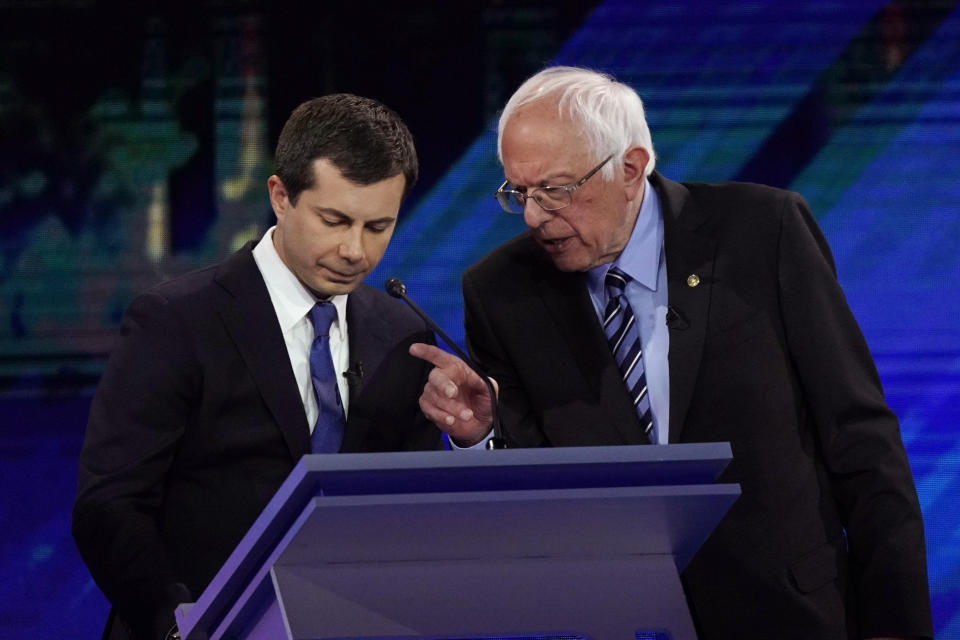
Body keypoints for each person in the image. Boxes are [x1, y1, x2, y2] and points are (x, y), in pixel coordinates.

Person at [412, 66, 932, 639]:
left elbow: (861, 439)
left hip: (793, 614)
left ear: (630, 169)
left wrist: (896, 623)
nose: (535, 215)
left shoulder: (762, 233)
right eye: (519, 192)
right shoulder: (500, 293)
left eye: (555, 190)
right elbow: (536, 498)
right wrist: (481, 435)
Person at [73, 94, 442, 640]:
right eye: (334, 220)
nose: (354, 251)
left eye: (377, 227)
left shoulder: (402, 331)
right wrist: (179, 621)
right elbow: (109, 506)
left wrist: (473, 439)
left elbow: (411, 512)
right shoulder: (177, 320)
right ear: (280, 196)